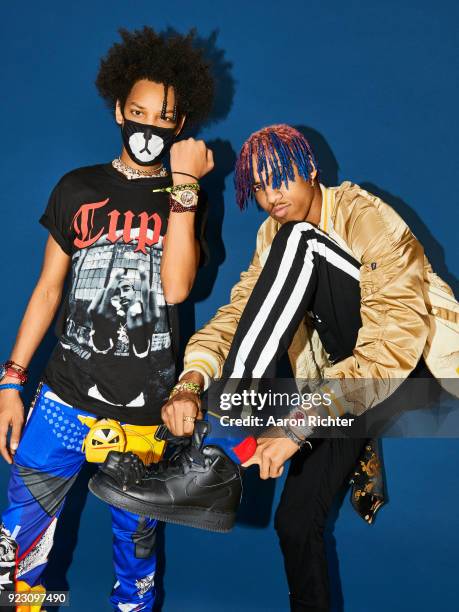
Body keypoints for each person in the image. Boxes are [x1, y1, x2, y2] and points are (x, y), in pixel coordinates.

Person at [90, 124, 459, 611]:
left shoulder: (363, 216)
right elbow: (240, 313)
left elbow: (391, 346)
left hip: (410, 360)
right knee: (296, 522)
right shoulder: (273, 235)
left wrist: (296, 424)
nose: (271, 196)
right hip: (342, 383)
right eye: (259, 186)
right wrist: (191, 381)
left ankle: (219, 446)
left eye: (280, 179)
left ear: (310, 171)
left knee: (301, 239)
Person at [0, 26, 215, 611]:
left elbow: (175, 288)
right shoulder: (77, 188)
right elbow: (48, 289)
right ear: (119, 108)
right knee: (12, 558)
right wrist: (11, 381)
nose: (148, 126)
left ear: (178, 124)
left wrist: (187, 186)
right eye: (137, 110)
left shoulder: (186, 196)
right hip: (62, 403)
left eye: (163, 117)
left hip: (145, 417)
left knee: (136, 564)